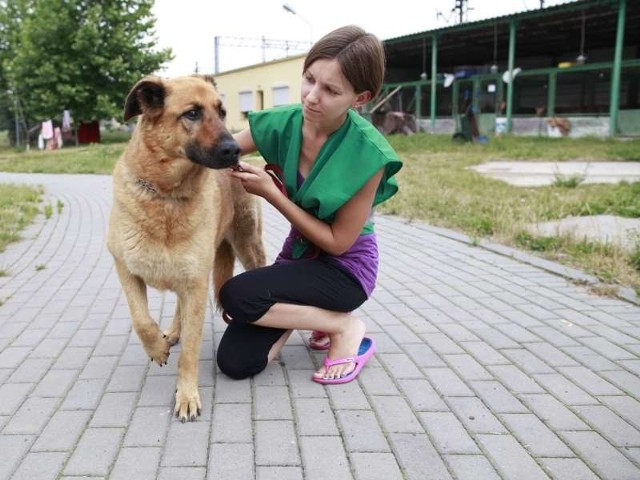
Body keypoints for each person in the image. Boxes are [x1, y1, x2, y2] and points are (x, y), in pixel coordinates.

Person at [216, 25, 402, 385]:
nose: (312, 97)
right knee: (237, 362)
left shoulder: (369, 154)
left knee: (235, 294)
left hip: (344, 272)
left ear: (360, 98)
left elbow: (337, 242)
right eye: (309, 79)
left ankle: (343, 325)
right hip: (300, 261)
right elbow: (222, 152)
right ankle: (317, 319)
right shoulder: (283, 123)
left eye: (331, 90)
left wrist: (272, 194)